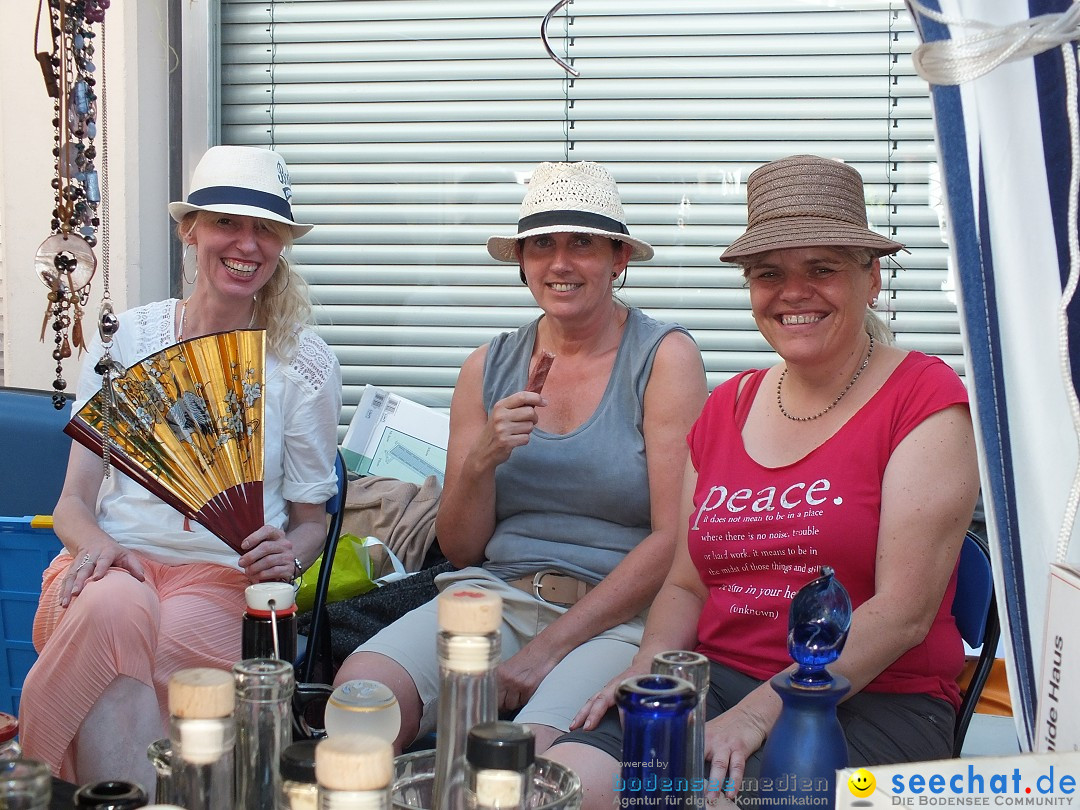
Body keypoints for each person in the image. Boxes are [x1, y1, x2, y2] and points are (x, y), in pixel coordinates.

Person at [545, 154, 980, 806]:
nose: (792, 292)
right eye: (769, 274)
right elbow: (687, 584)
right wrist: (648, 673)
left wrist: (756, 716)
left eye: (822, 269)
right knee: (557, 788)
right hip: (715, 682)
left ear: (873, 281)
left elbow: (903, 615)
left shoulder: (924, 397)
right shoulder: (727, 407)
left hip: (872, 700)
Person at [332, 160, 707, 753]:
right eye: (541, 245)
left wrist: (545, 651)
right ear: (524, 263)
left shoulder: (664, 357)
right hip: (493, 595)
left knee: (525, 767)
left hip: (613, 616)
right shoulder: (487, 367)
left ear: (619, 260)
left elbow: (675, 539)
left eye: (581, 242)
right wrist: (482, 459)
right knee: (360, 697)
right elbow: (460, 548)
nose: (560, 262)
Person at [19, 145, 342, 786]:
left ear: (280, 246)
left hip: (223, 583)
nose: (246, 244)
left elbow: (311, 523)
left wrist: (290, 554)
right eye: (227, 222)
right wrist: (105, 548)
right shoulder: (128, 340)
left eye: (266, 230)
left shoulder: (303, 364)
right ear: (190, 230)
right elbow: (72, 506)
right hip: (114, 562)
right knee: (116, 607)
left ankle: (52, 785)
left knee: (139, 635)